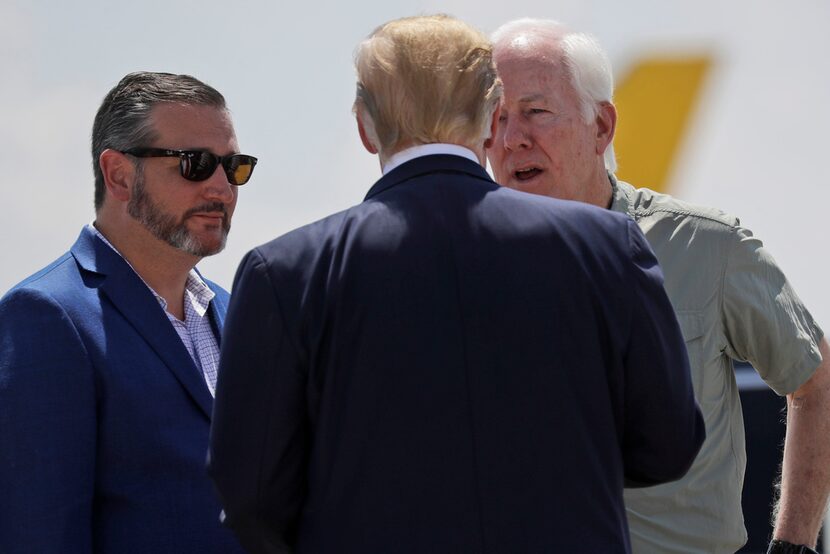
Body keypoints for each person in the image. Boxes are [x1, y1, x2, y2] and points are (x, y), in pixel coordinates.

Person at [208, 14, 704, 554]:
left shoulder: (283, 273)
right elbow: (668, 447)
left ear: (364, 126)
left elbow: (250, 495)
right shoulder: (609, 245)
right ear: (493, 117)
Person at [487, 18, 830, 554]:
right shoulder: (468, 268)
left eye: (535, 112)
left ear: (601, 127)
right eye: (496, 118)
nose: (511, 139)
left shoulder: (707, 247)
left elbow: (817, 380)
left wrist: (794, 546)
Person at [0, 71, 257, 553]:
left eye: (234, 166)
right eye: (196, 164)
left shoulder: (239, 312)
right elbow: (37, 532)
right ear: (119, 174)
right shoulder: (47, 315)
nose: (223, 188)